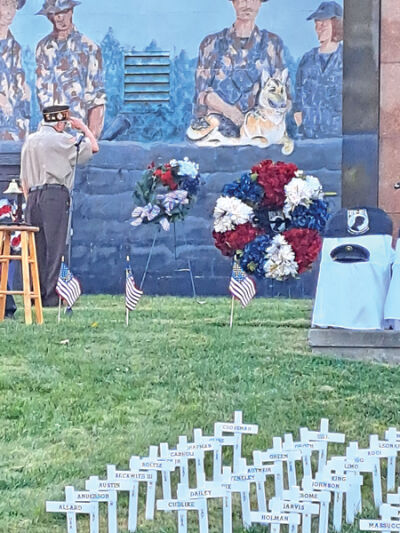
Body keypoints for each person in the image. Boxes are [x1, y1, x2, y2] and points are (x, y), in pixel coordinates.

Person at [20, 105, 99, 307]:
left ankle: (35, 294)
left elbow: (23, 182)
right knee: (55, 247)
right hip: (54, 195)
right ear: (59, 123)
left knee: (35, 247)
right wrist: (84, 128)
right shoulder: (62, 139)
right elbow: (93, 148)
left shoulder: (30, 141)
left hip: (33, 196)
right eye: (64, 123)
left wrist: (31, 199)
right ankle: (51, 296)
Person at [188, 0, 289, 140]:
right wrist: (231, 113)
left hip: (260, 135)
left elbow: (284, 95)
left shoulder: (272, 43)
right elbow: (202, 96)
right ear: (233, 3)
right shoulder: (211, 43)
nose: (247, 4)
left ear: (260, 3)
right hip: (218, 134)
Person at [35, 0, 106, 139]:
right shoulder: (43, 47)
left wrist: (91, 138)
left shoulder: (89, 47)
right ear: (50, 16)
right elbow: (42, 91)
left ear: (71, 11)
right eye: (56, 13)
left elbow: (96, 99)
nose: (61, 18)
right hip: (49, 131)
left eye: (65, 11)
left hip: (77, 131)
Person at [294, 1, 343, 138]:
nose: (318, 28)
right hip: (308, 136)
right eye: (316, 23)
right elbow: (297, 96)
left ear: (336, 25)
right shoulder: (307, 60)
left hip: (337, 138)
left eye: (323, 24)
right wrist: (299, 119)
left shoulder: (347, 59)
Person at [0, 0, 30, 141]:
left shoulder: (15, 46)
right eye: (5, 4)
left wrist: (24, 88)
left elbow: (17, 75)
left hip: (14, 126)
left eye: (13, 5)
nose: (10, 11)